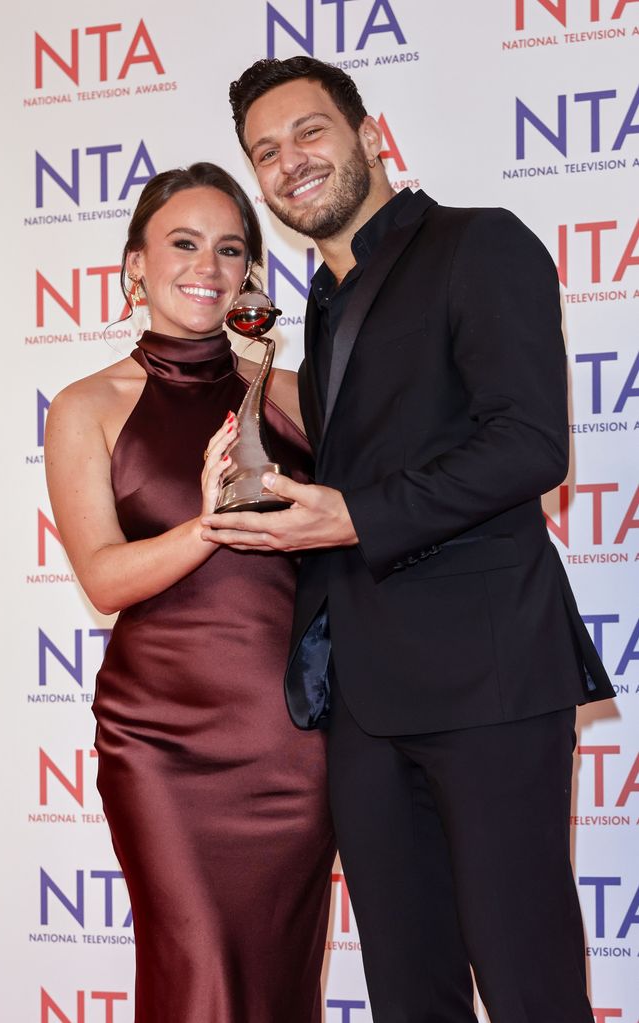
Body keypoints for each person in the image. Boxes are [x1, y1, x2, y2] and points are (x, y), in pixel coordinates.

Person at [200, 58, 617, 1023]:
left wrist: (350, 514)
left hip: (488, 676)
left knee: (526, 983)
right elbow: (371, 463)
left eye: (309, 132)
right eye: (265, 152)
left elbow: (527, 443)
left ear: (368, 131)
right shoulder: (322, 302)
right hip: (364, 695)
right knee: (405, 989)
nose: (288, 162)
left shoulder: (478, 245)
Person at [44, 162, 335, 1023]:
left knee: (280, 982)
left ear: (250, 272)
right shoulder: (87, 406)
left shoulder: (291, 398)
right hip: (159, 741)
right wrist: (206, 522)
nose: (207, 265)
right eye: (182, 243)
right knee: (194, 971)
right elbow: (102, 575)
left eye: (230, 248)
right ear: (135, 264)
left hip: (290, 739)